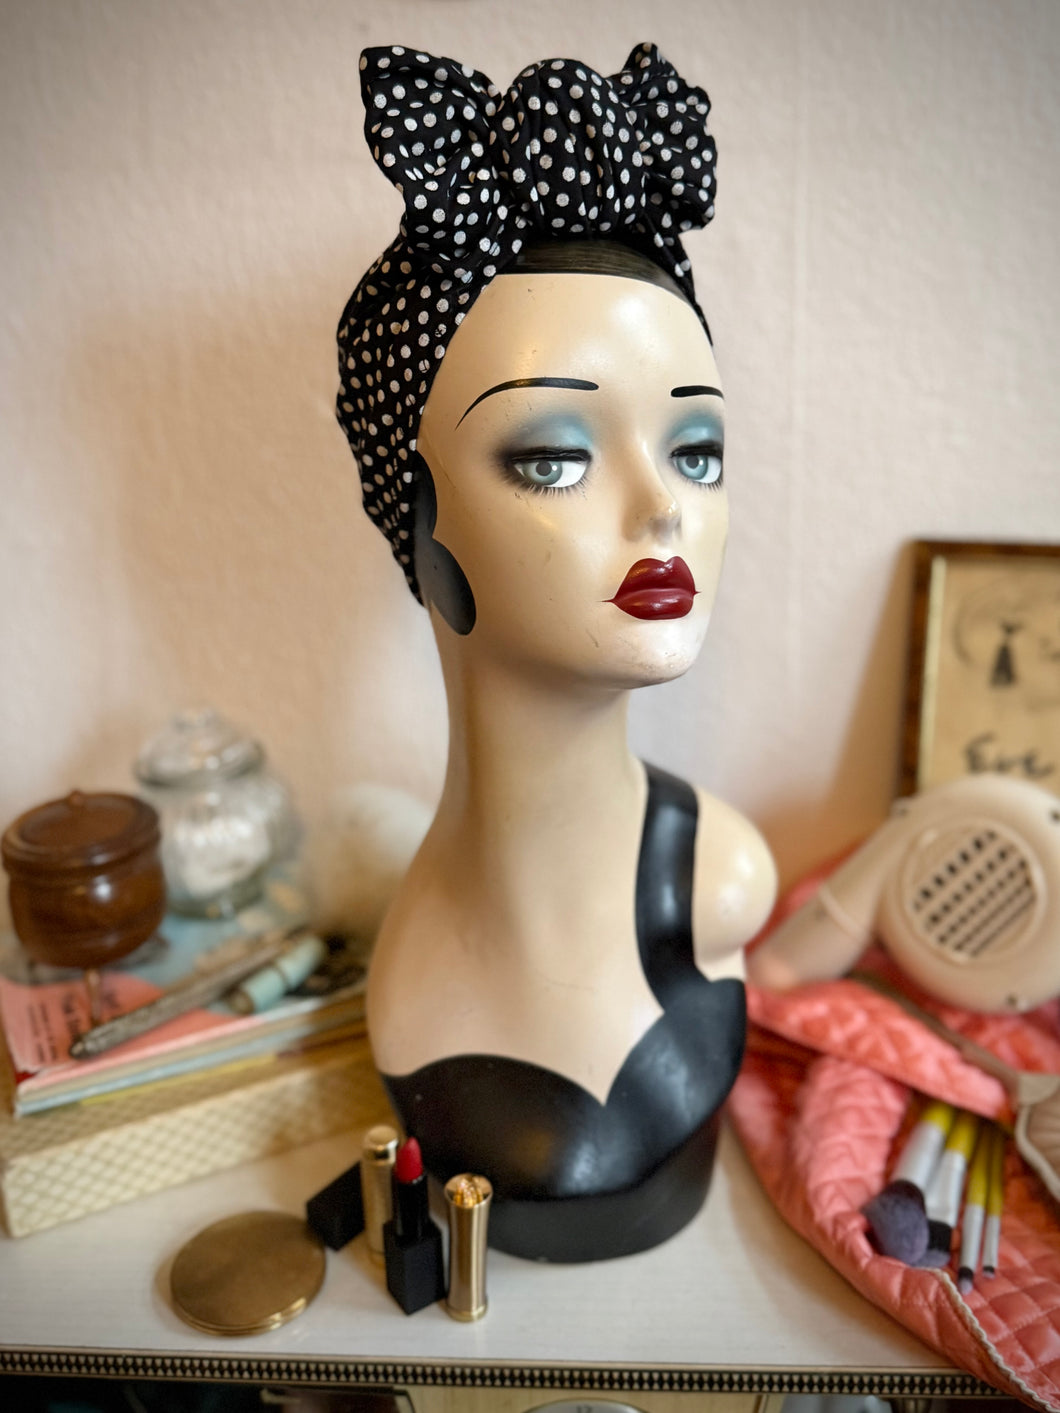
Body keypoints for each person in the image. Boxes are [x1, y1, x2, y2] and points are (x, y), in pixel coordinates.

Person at [336, 43, 777, 1261]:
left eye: (695, 450)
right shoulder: (416, 973)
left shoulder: (726, 885)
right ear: (416, 517)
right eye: (551, 456)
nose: (662, 511)